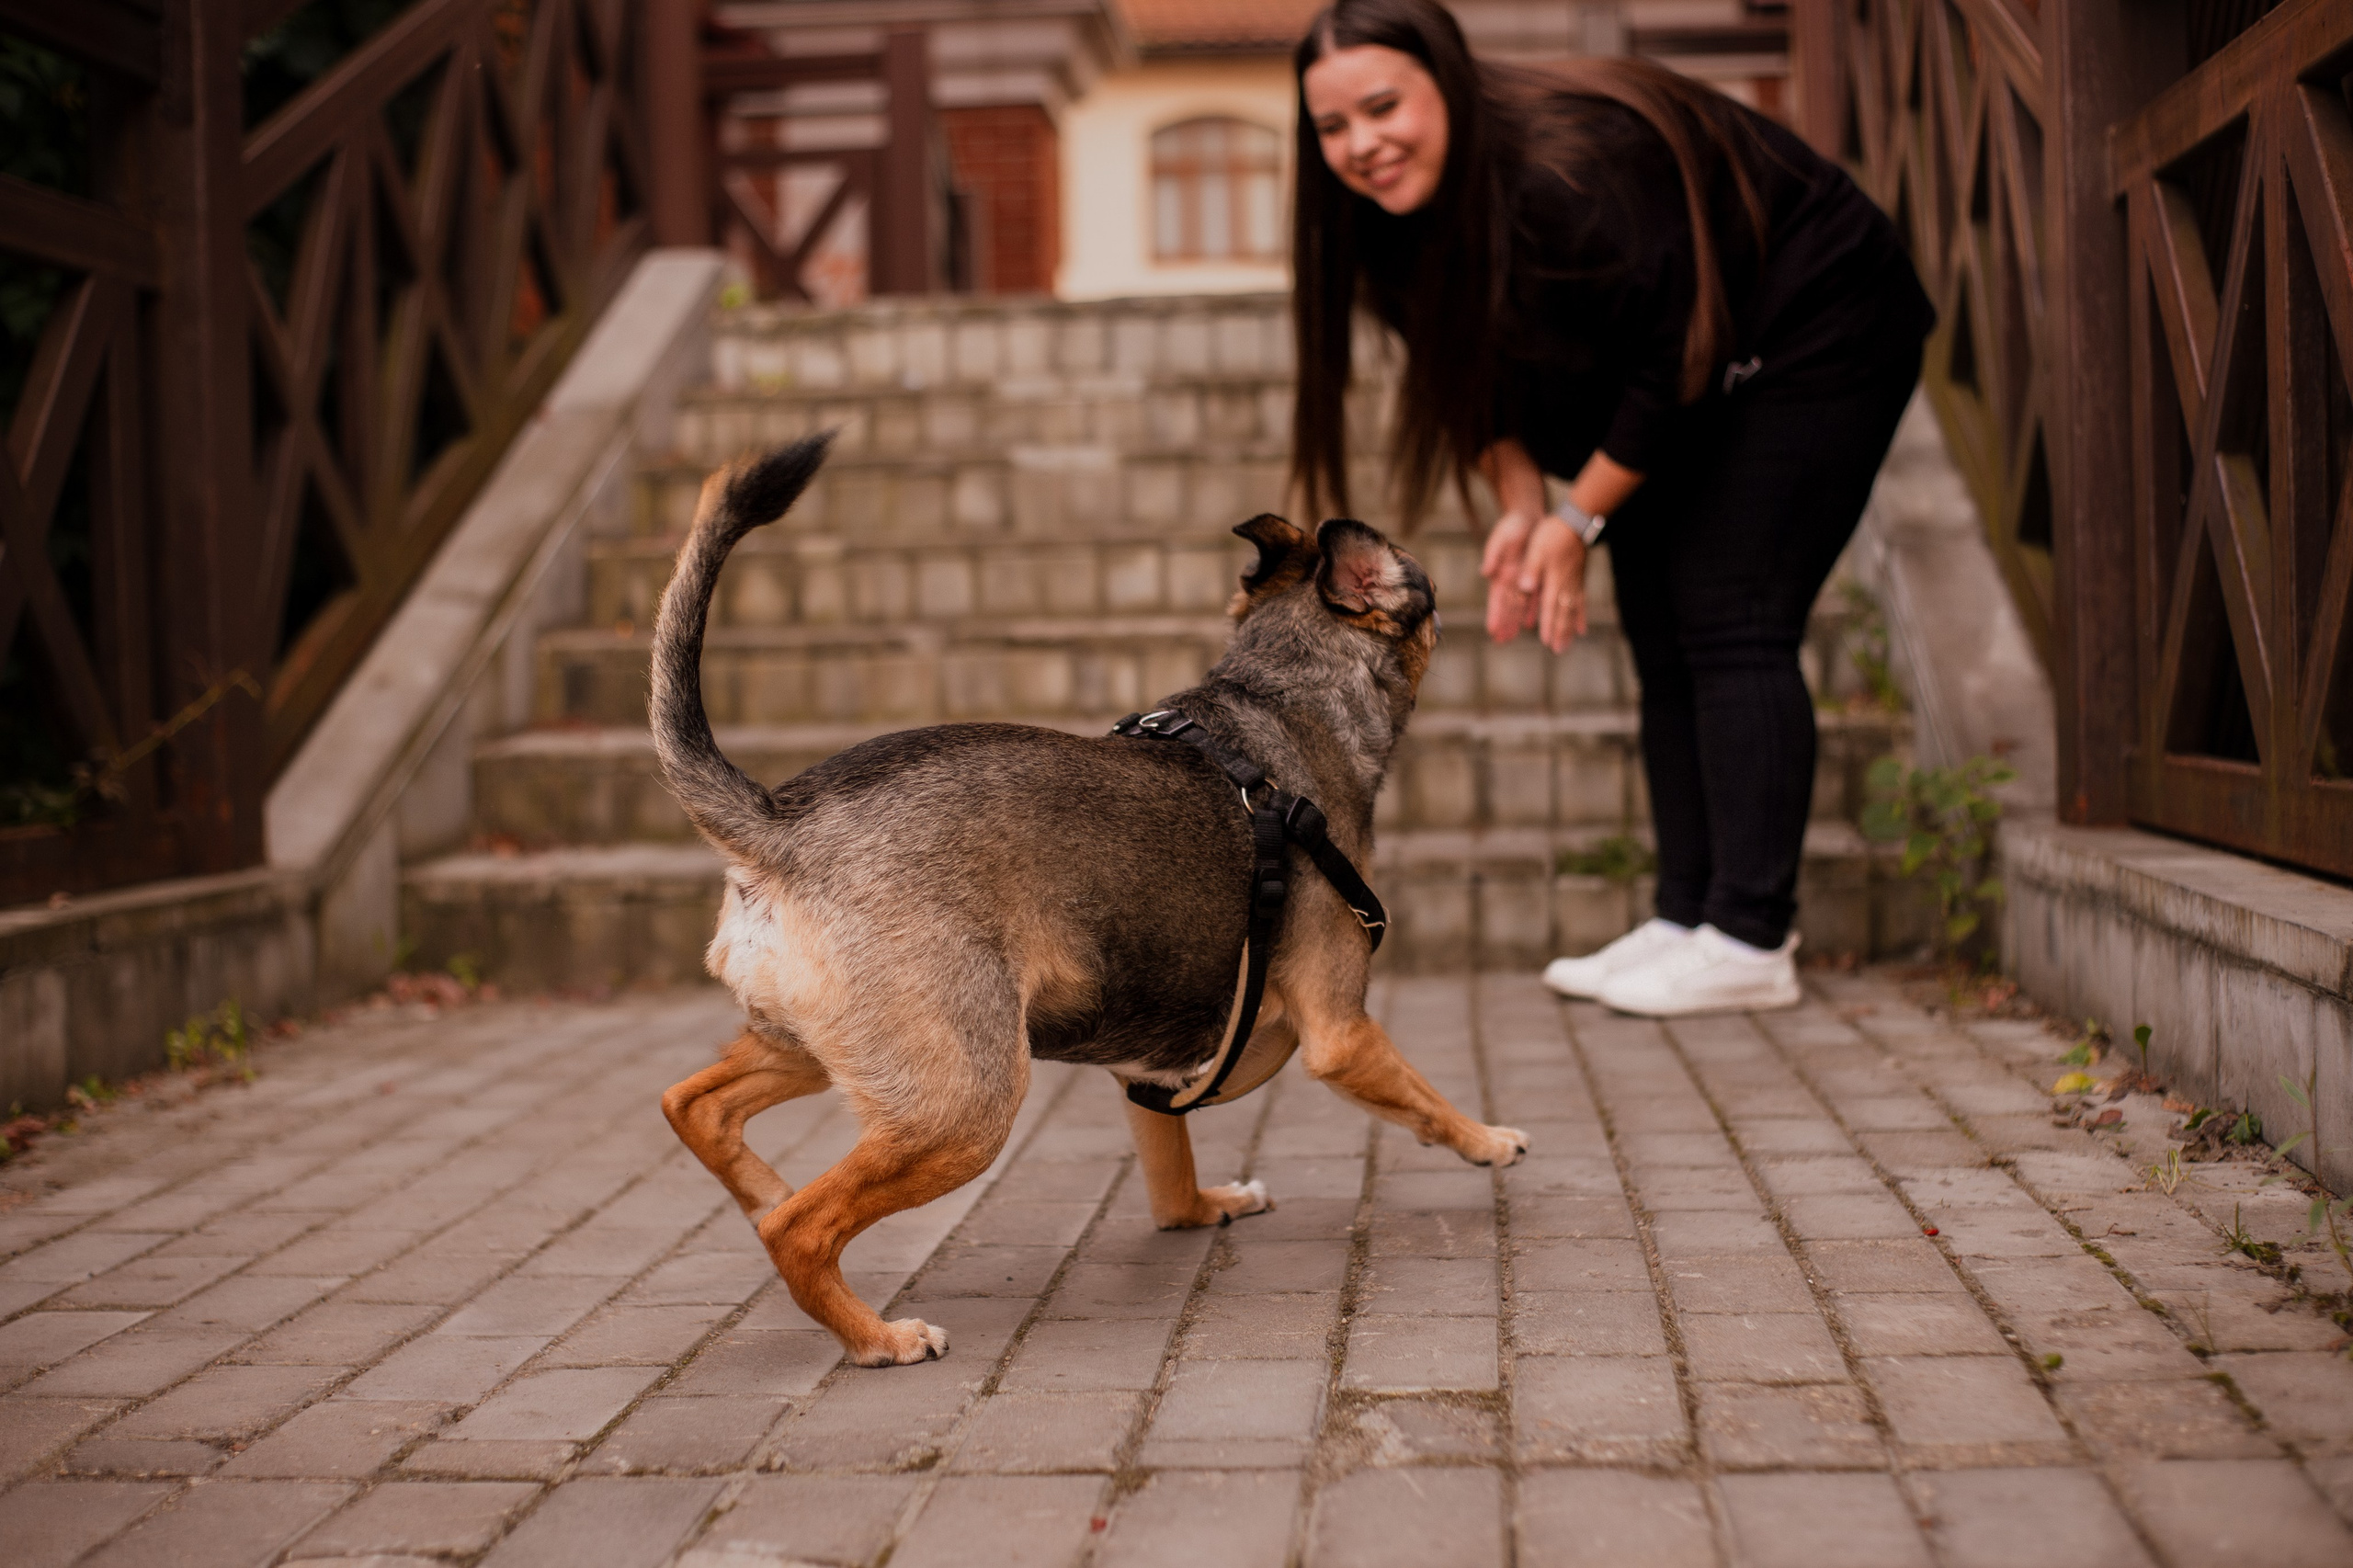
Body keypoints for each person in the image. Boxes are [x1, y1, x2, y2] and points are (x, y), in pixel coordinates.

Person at [1290, 0, 1932, 1017]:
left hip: (1816, 321)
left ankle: (1751, 935)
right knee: (1664, 620)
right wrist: (1520, 506)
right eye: (1333, 127)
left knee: (1730, 608)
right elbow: (1476, 379)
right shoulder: (1388, 231)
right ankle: (1689, 918)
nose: (1363, 144)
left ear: (1445, 81)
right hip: (1695, 362)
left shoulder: (1565, 165)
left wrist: (1575, 517)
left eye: (1382, 107)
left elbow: (1668, 355)